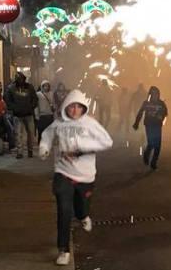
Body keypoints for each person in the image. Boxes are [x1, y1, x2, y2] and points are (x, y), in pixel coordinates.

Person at [39, 89, 114, 266]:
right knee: (64, 209)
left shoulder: (90, 124)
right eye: (71, 106)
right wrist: (44, 148)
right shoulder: (59, 124)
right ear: (66, 107)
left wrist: (82, 148)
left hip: (85, 176)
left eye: (78, 107)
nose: (74, 110)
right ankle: (63, 249)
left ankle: (83, 216)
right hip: (63, 172)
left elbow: (107, 141)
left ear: (83, 108)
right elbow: (47, 136)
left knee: (81, 209)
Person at [132, 86, 168, 170]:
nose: (155, 96)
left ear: (158, 94)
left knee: (158, 145)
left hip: (157, 126)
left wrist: (162, 119)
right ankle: (146, 154)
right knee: (151, 143)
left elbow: (166, 113)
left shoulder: (161, 103)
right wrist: (136, 123)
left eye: (156, 94)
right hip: (149, 125)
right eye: (153, 94)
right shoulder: (146, 103)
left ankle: (154, 162)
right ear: (150, 95)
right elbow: (140, 113)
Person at [4, 73, 38, 158]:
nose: (20, 81)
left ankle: (30, 150)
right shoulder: (11, 88)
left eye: (21, 79)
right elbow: (7, 99)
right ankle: (20, 152)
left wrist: (31, 107)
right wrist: (14, 108)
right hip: (17, 115)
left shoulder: (29, 87)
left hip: (28, 114)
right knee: (18, 134)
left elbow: (35, 98)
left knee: (30, 133)